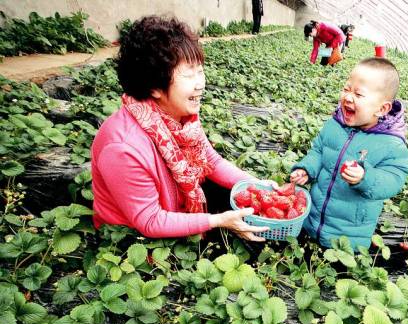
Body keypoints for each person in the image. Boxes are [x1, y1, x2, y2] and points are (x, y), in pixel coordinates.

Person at [91, 16, 273, 241]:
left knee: (234, 196)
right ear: (154, 86)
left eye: (200, 71)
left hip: (176, 206)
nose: (200, 83)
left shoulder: (181, 117)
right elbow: (150, 221)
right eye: (188, 74)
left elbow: (211, 161)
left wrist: (257, 185)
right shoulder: (122, 148)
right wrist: (217, 221)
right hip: (133, 240)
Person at [290, 57, 408, 249]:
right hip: (312, 218)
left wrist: (365, 178)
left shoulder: (391, 144)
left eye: (359, 94)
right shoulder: (334, 125)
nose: (347, 97)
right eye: (346, 89)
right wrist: (307, 169)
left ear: (382, 108)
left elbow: (394, 179)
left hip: (349, 237)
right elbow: (319, 151)